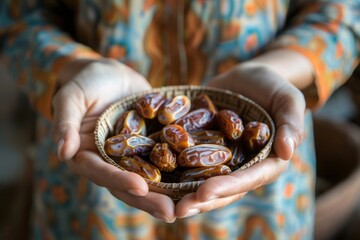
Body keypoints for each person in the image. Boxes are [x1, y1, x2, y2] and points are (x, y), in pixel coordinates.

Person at [0, 0, 359, 239]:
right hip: (92, 165)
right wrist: (74, 67)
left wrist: (279, 68)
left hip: (255, 194)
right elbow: (15, 15)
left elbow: (344, 13)